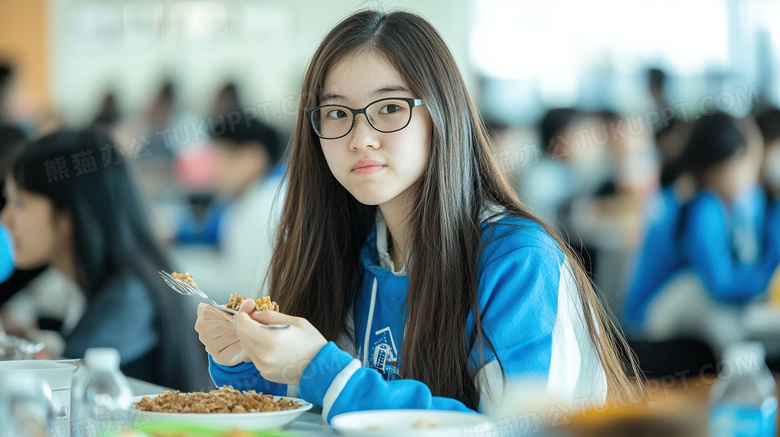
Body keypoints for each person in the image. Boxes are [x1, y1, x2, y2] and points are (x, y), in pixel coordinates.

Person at [194, 10, 640, 422]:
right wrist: (243, 362)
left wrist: (326, 371)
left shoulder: (518, 259)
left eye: (390, 108)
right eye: (336, 113)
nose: (360, 137)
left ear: (442, 115)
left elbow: (519, 430)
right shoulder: (355, 250)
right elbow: (310, 399)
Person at [1, 129, 209, 390]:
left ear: (70, 214)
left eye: (20, 203)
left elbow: (67, 389)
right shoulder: (116, 278)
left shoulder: (128, 296)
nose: (6, 219)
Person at [638, 113, 779, 352]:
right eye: (745, 161)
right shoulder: (704, 207)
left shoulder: (693, 198)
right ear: (722, 166)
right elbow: (723, 286)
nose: (750, 177)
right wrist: (770, 270)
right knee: (706, 299)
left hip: (656, 322)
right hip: (648, 331)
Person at [172, 113, 286, 299]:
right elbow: (211, 232)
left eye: (221, 157)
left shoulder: (266, 206)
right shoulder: (247, 194)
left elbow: (258, 294)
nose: (214, 169)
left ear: (252, 158)